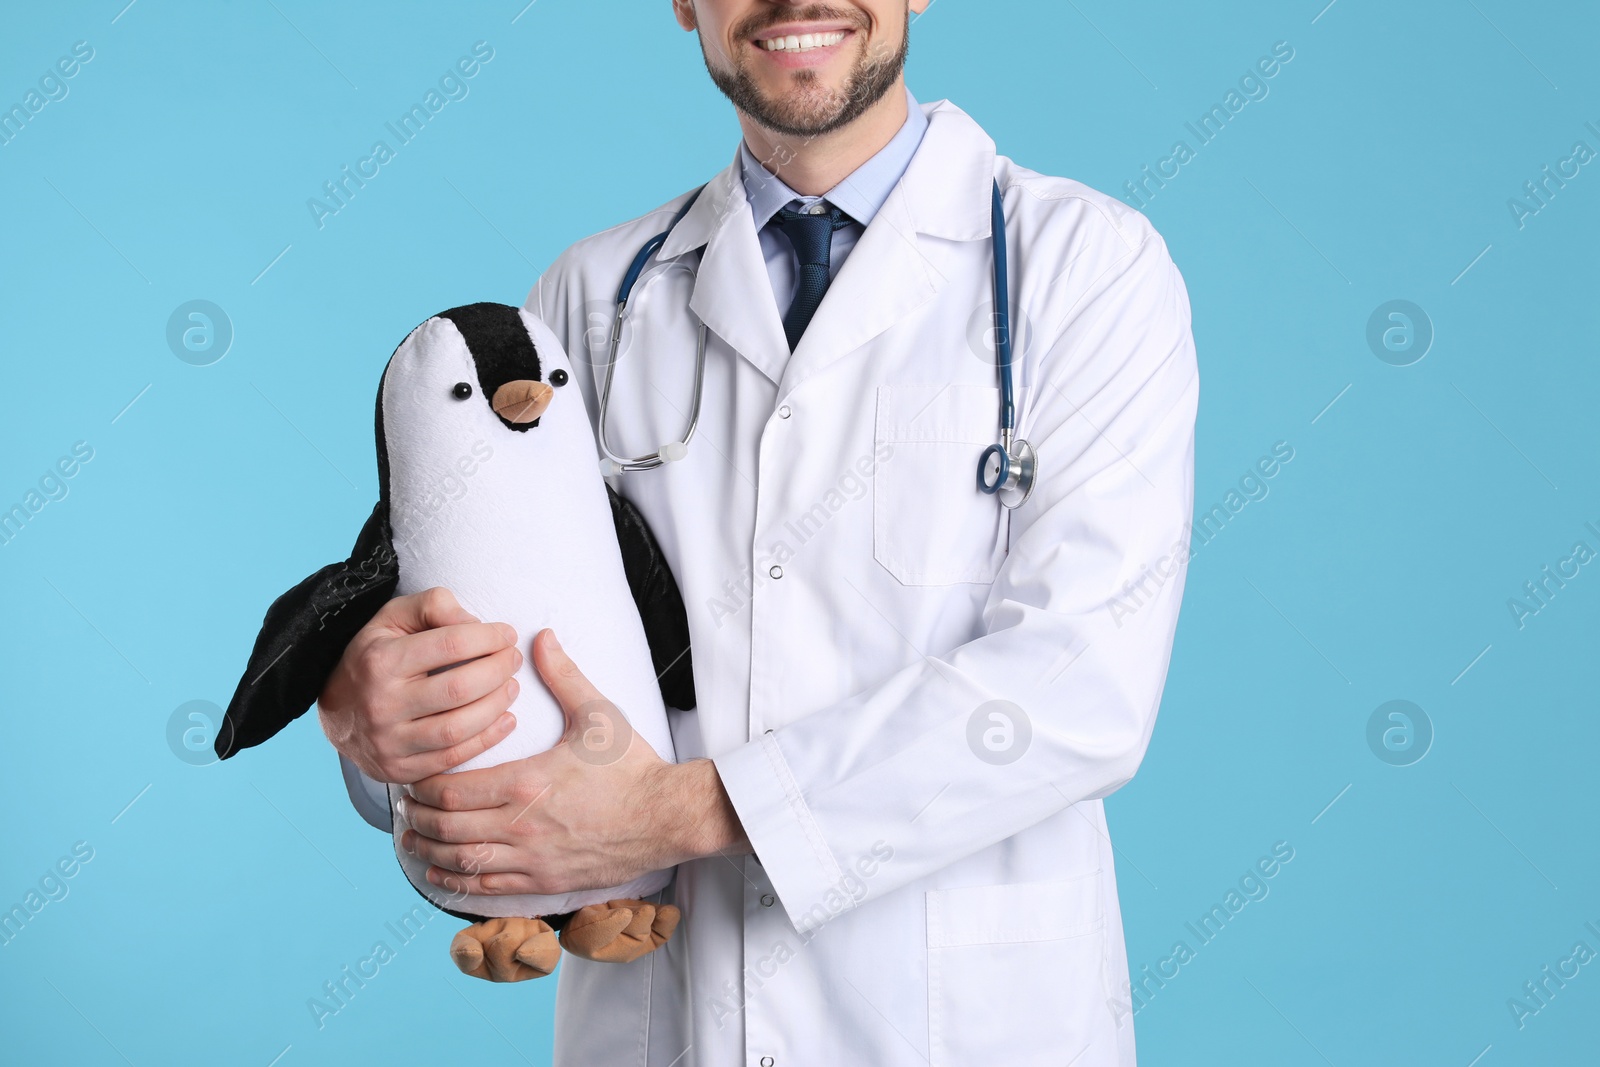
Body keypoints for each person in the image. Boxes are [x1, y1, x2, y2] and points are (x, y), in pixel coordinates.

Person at [319, 2, 1198, 1063]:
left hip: (965, 1021)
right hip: (664, 1023)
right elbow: (499, 649)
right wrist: (380, 726)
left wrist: (681, 811)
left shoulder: (1084, 269)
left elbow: (1080, 685)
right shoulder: (589, 303)